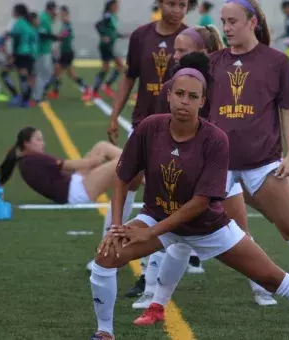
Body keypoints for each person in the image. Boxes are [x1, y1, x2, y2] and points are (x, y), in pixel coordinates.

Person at [89, 54, 289, 340]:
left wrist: (151, 233)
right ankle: (104, 332)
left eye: (193, 96)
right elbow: (122, 177)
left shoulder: (215, 139)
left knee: (273, 279)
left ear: (203, 102)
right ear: (168, 95)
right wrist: (116, 226)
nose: (184, 101)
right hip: (157, 218)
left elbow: (201, 202)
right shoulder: (149, 128)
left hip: (209, 228)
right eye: (179, 93)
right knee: (105, 256)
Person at [206, 0, 289, 305]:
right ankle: (154, 297)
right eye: (223, 22)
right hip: (218, 167)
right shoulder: (213, 62)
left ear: (253, 23)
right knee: (182, 234)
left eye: (233, 21)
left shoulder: (276, 61)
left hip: (263, 164)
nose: (226, 28)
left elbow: (288, 111)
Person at [104, 0, 198, 299]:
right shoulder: (140, 36)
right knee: (129, 180)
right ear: (159, 4)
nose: (177, 10)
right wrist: (115, 113)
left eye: (183, 4)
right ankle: (109, 244)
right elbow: (130, 77)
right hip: (144, 122)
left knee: (172, 189)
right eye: (171, 3)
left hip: (181, 128)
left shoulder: (191, 37)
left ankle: (163, 265)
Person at [0, 127, 123, 205]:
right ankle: (142, 171)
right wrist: (95, 160)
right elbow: (71, 165)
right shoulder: (35, 159)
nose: (43, 143)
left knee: (102, 146)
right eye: (38, 140)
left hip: (73, 184)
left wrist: (94, 160)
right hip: (77, 193)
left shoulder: (25, 160)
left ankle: (143, 173)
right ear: (27, 143)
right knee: (122, 162)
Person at [82, 0, 124, 101]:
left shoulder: (112, 16)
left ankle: (97, 90)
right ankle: (105, 86)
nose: (118, 7)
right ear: (111, 6)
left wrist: (123, 35)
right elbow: (98, 25)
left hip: (109, 46)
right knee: (119, 65)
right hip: (106, 46)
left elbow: (112, 31)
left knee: (106, 68)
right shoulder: (108, 15)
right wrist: (103, 36)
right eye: (116, 5)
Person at [45, 5, 88, 99]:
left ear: (65, 13)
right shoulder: (64, 24)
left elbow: (65, 34)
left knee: (59, 72)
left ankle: (87, 89)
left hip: (66, 53)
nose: (59, 14)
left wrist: (57, 38)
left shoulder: (66, 24)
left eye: (61, 13)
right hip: (65, 52)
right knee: (63, 73)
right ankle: (54, 92)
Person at [5, 3, 37, 107]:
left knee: (6, 74)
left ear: (17, 12)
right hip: (29, 54)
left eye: (13, 11)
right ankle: (25, 100)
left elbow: (17, 40)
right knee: (26, 77)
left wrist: (13, 55)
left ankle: (19, 98)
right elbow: (32, 37)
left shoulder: (18, 23)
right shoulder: (27, 23)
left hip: (20, 53)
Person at [32, 1, 59, 105]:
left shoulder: (46, 18)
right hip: (42, 51)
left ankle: (37, 94)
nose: (55, 12)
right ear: (50, 9)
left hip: (45, 49)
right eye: (54, 10)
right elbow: (42, 34)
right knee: (44, 73)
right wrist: (54, 37)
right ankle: (37, 96)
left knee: (45, 73)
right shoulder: (44, 18)